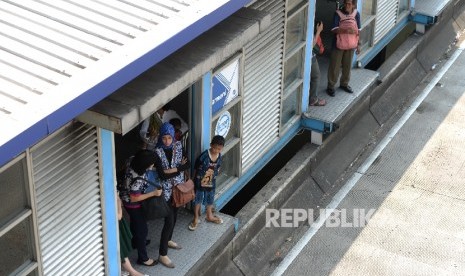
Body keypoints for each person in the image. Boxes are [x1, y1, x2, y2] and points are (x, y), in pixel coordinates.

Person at [153, 122, 190, 268]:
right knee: (168, 221)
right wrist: (177, 168)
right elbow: (161, 175)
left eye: (169, 137)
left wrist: (171, 170)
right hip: (165, 192)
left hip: (178, 189)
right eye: (164, 138)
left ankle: (168, 240)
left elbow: (187, 165)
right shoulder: (157, 152)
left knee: (174, 216)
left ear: (173, 136)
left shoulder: (179, 146)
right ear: (160, 138)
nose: (167, 141)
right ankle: (162, 254)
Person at [120, 150, 162, 267]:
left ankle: (136, 242)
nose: (152, 165)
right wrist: (153, 193)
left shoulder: (131, 159)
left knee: (135, 223)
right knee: (142, 230)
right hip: (133, 204)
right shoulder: (138, 177)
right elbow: (134, 198)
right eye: (151, 164)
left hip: (124, 196)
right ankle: (143, 258)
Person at [188, 135, 225, 231]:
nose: (216, 151)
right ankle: (196, 218)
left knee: (210, 199)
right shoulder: (203, 156)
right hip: (200, 182)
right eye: (215, 148)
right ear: (211, 145)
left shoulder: (219, 156)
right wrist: (192, 180)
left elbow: (218, 167)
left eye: (219, 149)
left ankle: (209, 216)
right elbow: (196, 169)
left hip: (211, 182)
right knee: (198, 200)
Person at [326, 0, 361, 97]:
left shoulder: (356, 14)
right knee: (334, 66)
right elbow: (333, 29)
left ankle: (344, 84)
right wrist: (345, 30)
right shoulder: (338, 14)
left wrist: (358, 45)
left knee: (347, 66)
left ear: (353, 5)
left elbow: (359, 30)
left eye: (349, 4)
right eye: (345, 3)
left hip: (351, 44)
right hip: (338, 45)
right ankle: (331, 86)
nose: (346, 5)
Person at [117, 193, 149, 276]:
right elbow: (119, 216)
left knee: (120, 249)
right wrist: (119, 204)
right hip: (114, 225)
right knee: (121, 249)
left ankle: (123, 271)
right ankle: (132, 272)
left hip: (115, 225)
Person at [309, 20, 326, 107]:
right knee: (316, 76)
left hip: (307, 57)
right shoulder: (306, 28)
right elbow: (311, 45)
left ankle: (311, 97)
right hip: (309, 57)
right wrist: (318, 31)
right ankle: (313, 99)